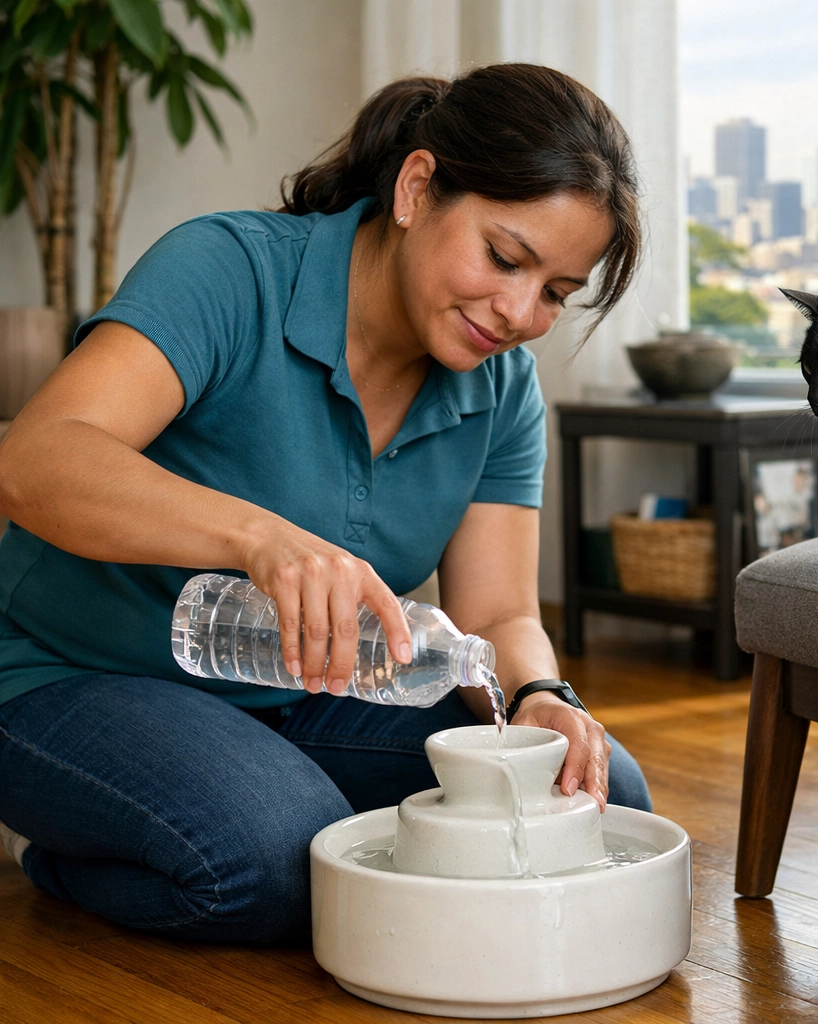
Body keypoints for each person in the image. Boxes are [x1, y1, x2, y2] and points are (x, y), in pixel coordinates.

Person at [0, 63, 650, 944]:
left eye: (555, 294)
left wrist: (539, 695)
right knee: (279, 862)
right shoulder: (230, 271)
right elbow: (36, 458)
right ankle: (60, 853)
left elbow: (497, 611)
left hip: (297, 694)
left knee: (601, 796)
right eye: (505, 258)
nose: (516, 312)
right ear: (416, 189)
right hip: (66, 673)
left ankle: (252, 797)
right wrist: (258, 539)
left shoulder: (501, 389)